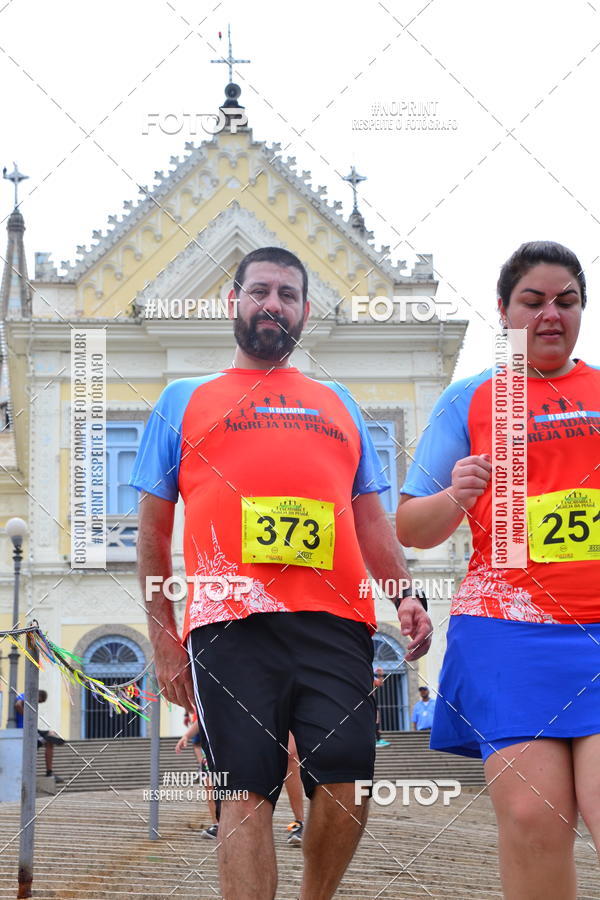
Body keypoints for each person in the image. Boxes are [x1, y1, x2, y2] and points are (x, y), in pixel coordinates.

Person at [131, 246, 432, 900]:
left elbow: (372, 522)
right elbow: (153, 533)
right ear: (232, 303)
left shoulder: (339, 402)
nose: (273, 303)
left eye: (288, 294)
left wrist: (405, 593)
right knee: (243, 790)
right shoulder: (182, 401)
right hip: (228, 625)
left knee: (347, 779)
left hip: (337, 620)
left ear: (304, 311)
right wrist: (161, 637)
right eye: (260, 290)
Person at [396, 240, 600, 900]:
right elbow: (409, 526)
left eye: (566, 302)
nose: (550, 315)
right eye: (533, 302)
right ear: (504, 311)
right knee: (531, 817)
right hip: (506, 635)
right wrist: (455, 496)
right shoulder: (471, 399)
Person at [14, 689, 65, 781]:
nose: (38, 703)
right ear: (38, 696)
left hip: (32, 729)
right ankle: (45, 739)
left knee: (51, 734)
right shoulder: (26, 696)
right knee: (47, 739)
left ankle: (49, 772)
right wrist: (28, 718)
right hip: (25, 729)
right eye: (39, 701)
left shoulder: (28, 697)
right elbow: (18, 705)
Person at [373, 667, 390, 747]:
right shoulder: (368, 676)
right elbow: (380, 683)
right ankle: (377, 740)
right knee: (375, 719)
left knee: (376, 719)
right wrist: (380, 675)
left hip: (368, 701)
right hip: (369, 701)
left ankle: (378, 739)